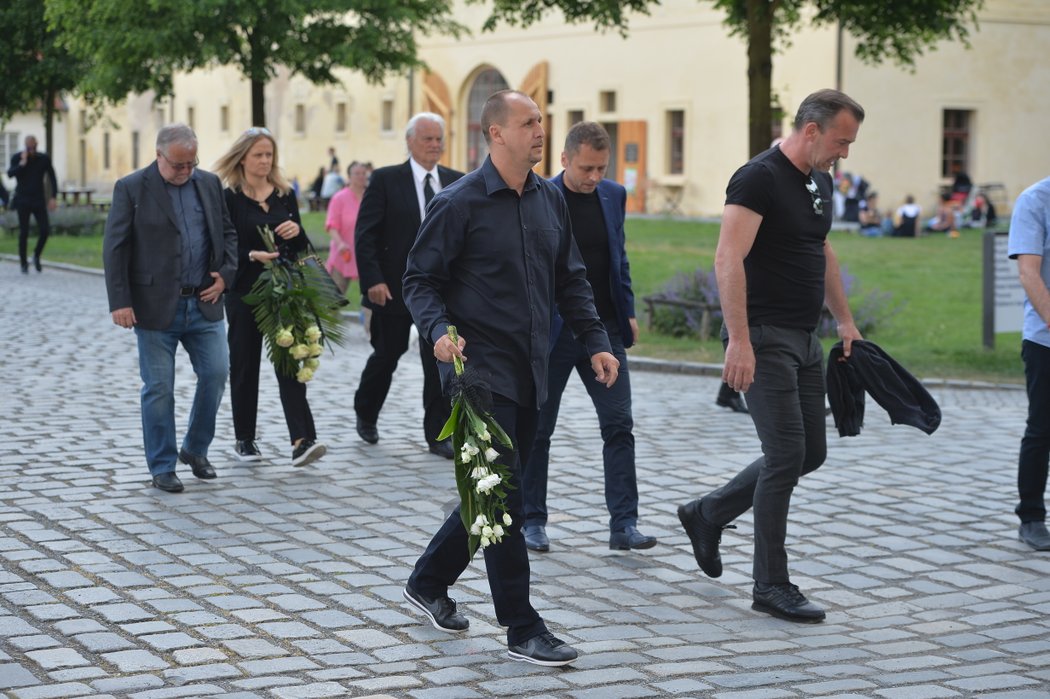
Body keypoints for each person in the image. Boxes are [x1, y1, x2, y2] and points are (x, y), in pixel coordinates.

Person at [400, 89, 619, 666]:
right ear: (495, 134)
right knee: (504, 498)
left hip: (533, 371)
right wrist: (438, 332)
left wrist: (596, 341)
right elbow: (419, 280)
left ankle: (426, 580)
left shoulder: (550, 201)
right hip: (478, 375)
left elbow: (571, 281)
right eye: (528, 123)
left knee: (491, 487)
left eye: (542, 121)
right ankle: (522, 628)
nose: (540, 131)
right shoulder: (458, 203)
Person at [677, 89, 865, 624]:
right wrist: (738, 339)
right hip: (762, 335)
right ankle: (771, 585)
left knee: (811, 454)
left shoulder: (818, 181)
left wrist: (845, 320)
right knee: (785, 456)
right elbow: (727, 256)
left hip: (805, 339)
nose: (844, 153)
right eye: (840, 141)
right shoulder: (757, 177)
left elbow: (822, 250)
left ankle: (707, 513)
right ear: (811, 129)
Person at [521, 122, 657, 554]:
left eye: (601, 168)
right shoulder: (538, 196)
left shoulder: (613, 196)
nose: (595, 177)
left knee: (619, 425)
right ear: (563, 160)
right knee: (539, 429)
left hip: (605, 329)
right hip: (555, 332)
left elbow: (620, 256)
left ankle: (624, 524)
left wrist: (628, 310)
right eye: (586, 168)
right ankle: (532, 521)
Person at [103, 123, 237, 493]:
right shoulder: (131, 188)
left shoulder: (208, 184)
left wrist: (225, 275)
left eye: (191, 163)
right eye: (178, 164)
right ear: (159, 155)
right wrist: (121, 301)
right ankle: (162, 466)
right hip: (153, 307)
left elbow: (227, 233)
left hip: (204, 302)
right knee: (159, 387)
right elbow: (116, 247)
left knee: (216, 372)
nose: (185, 171)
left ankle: (195, 449)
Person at [213, 126, 327, 468]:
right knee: (245, 364)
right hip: (245, 292)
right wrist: (251, 256)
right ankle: (244, 439)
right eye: (258, 155)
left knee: (291, 358)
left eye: (269, 155)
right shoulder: (230, 196)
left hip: (284, 290)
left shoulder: (283, 194)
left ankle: (302, 440)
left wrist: (297, 231)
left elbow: (301, 248)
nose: (265, 161)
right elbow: (224, 245)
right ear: (243, 157)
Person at [353, 113, 464, 459]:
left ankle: (437, 434)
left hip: (441, 290)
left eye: (438, 139)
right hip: (395, 287)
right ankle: (366, 411)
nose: (434, 145)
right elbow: (365, 234)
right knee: (388, 353)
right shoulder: (387, 180)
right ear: (410, 141)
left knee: (438, 360)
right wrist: (372, 280)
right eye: (427, 139)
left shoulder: (456, 181)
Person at [1007, 175, 1050, 551]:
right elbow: (1028, 272)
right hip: (1045, 338)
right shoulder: (1036, 200)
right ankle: (1032, 516)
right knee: (1042, 427)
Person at [7, 135, 58, 274]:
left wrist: (53, 197)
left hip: (38, 200)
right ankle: (23, 263)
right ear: (25, 146)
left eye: (34, 146)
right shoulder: (17, 158)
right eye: (29, 147)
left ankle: (36, 255)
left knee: (45, 230)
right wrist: (22, 164)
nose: (32, 150)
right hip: (22, 200)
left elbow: (52, 177)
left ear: (37, 145)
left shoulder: (43, 159)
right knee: (24, 232)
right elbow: (10, 174)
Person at [324, 161, 369, 295]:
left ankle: (367, 316)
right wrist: (340, 244)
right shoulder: (339, 198)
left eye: (363, 173)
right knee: (334, 297)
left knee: (372, 299)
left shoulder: (371, 197)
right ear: (349, 176)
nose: (361, 176)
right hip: (344, 254)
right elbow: (331, 225)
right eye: (357, 173)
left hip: (367, 254)